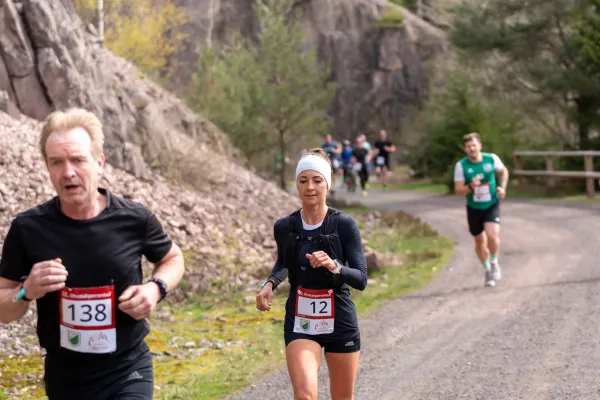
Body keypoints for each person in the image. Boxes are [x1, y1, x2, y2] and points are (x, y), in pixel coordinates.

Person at [0, 108, 185, 400]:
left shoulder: (134, 219)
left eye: (77, 160)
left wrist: (155, 288)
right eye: (57, 162)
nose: (68, 172)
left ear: (99, 163)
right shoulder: (28, 228)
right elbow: (3, 308)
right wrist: (27, 290)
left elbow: (173, 259)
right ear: (47, 168)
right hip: (66, 377)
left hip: (127, 368)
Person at [255, 148, 368, 400]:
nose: (310, 187)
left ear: (327, 183)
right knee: (305, 396)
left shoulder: (344, 225)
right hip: (301, 320)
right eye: (303, 180)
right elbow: (284, 262)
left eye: (317, 180)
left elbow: (361, 279)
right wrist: (269, 284)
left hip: (340, 319)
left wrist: (334, 265)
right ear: (296, 184)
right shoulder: (285, 227)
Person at [453, 132, 509, 288]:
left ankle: (494, 261)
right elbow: (458, 190)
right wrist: (471, 186)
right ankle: (487, 270)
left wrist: (502, 188)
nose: (471, 148)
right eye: (468, 146)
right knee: (479, 241)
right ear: (465, 149)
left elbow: (504, 172)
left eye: (473, 145)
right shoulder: (461, 165)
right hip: (473, 207)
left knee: (492, 234)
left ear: (480, 146)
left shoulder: (491, 159)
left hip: (491, 203)